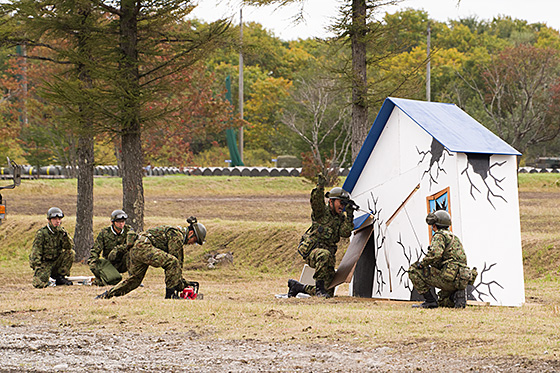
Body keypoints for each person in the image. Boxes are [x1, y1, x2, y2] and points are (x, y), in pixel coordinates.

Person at [95, 216, 206, 299]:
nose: (192, 243)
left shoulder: (176, 233)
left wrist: (183, 284)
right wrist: (182, 285)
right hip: (143, 247)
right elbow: (176, 261)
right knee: (172, 261)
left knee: (134, 280)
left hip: (136, 248)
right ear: (191, 233)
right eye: (195, 240)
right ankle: (170, 295)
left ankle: (106, 295)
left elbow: (175, 270)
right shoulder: (176, 235)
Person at [287, 173, 355, 298]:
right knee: (324, 254)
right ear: (331, 201)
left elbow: (345, 233)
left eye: (344, 204)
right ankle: (319, 289)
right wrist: (320, 187)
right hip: (313, 252)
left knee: (328, 292)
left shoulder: (340, 219)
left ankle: (297, 287)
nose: (342, 206)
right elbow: (316, 202)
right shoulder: (322, 213)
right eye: (340, 202)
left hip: (327, 258)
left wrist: (350, 216)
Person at [408, 210, 477, 309]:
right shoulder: (454, 237)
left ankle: (430, 301)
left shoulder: (439, 236)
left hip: (448, 278)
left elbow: (435, 255)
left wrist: (422, 264)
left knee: (413, 270)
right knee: (444, 302)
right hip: (459, 280)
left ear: (434, 225)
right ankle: (456, 295)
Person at [29, 207, 75, 288]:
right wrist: (37, 268)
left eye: (59, 219)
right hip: (45, 263)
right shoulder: (42, 233)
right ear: (49, 220)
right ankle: (45, 277)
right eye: (55, 219)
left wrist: (65, 237)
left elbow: (69, 247)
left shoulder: (62, 232)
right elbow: (36, 252)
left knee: (70, 253)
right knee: (39, 284)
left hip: (56, 262)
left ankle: (60, 277)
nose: (58, 221)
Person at [88, 209, 136, 286]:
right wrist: (93, 263)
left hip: (124, 262)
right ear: (112, 222)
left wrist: (119, 249)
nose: (121, 224)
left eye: (123, 222)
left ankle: (133, 279)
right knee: (113, 280)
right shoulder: (104, 233)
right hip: (110, 263)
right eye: (118, 222)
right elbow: (96, 250)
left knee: (133, 254)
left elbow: (134, 245)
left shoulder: (129, 231)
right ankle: (102, 278)